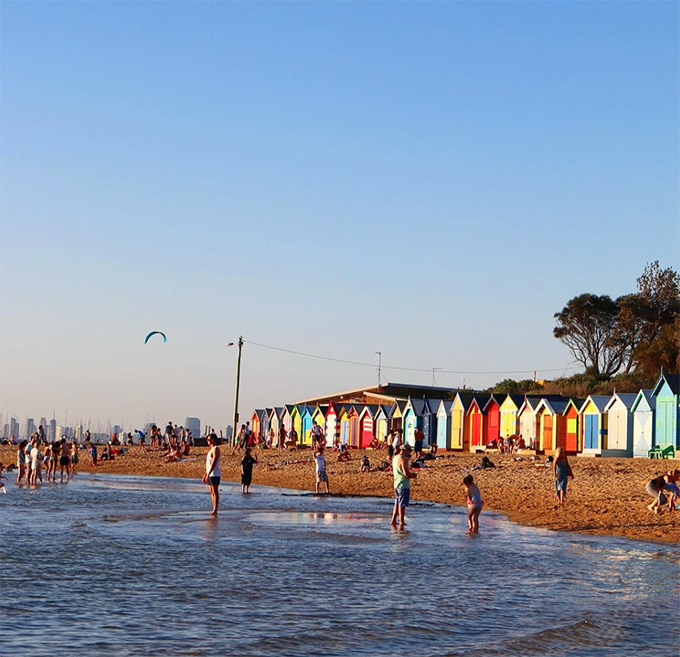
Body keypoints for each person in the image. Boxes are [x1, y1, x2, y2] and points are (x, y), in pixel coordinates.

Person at [390, 443, 417, 530]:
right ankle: (401, 522)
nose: (409, 453)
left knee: (397, 503)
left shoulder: (395, 458)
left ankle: (393, 520)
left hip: (396, 483)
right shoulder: (402, 459)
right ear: (404, 450)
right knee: (402, 504)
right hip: (403, 484)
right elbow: (406, 473)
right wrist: (413, 475)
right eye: (409, 451)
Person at [203, 434, 221, 515]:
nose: (207, 441)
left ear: (213, 440)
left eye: (209, 439)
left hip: (215, 474)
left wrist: (209, 473)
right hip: (210, 474)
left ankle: (215, 509)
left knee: (215, 491)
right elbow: (209, 464)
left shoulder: (215, 449)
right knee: (211, 492)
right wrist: (205, 474)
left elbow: (214, 462)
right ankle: (213, 508)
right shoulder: (210, 450)